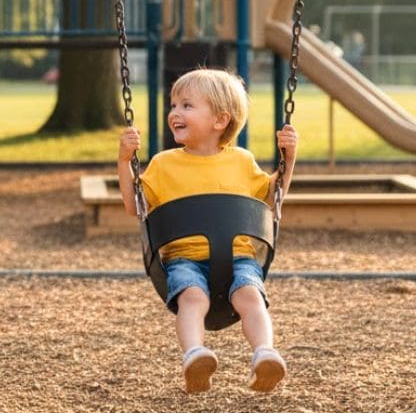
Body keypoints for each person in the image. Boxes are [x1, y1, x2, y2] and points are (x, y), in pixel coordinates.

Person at [117, 68, 298, 395]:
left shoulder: (242, 161)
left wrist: (289, 159)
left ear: (220, 120)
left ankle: (265, 355)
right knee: (193, 297)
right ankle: (195, 356)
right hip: (184, 259)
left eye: (187, 105)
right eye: (173, 105)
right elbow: (135, 207)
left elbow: (272, 198)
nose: (175, 113)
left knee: (250, 296)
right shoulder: (163, 164)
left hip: (239, 256)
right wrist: (124, 161)